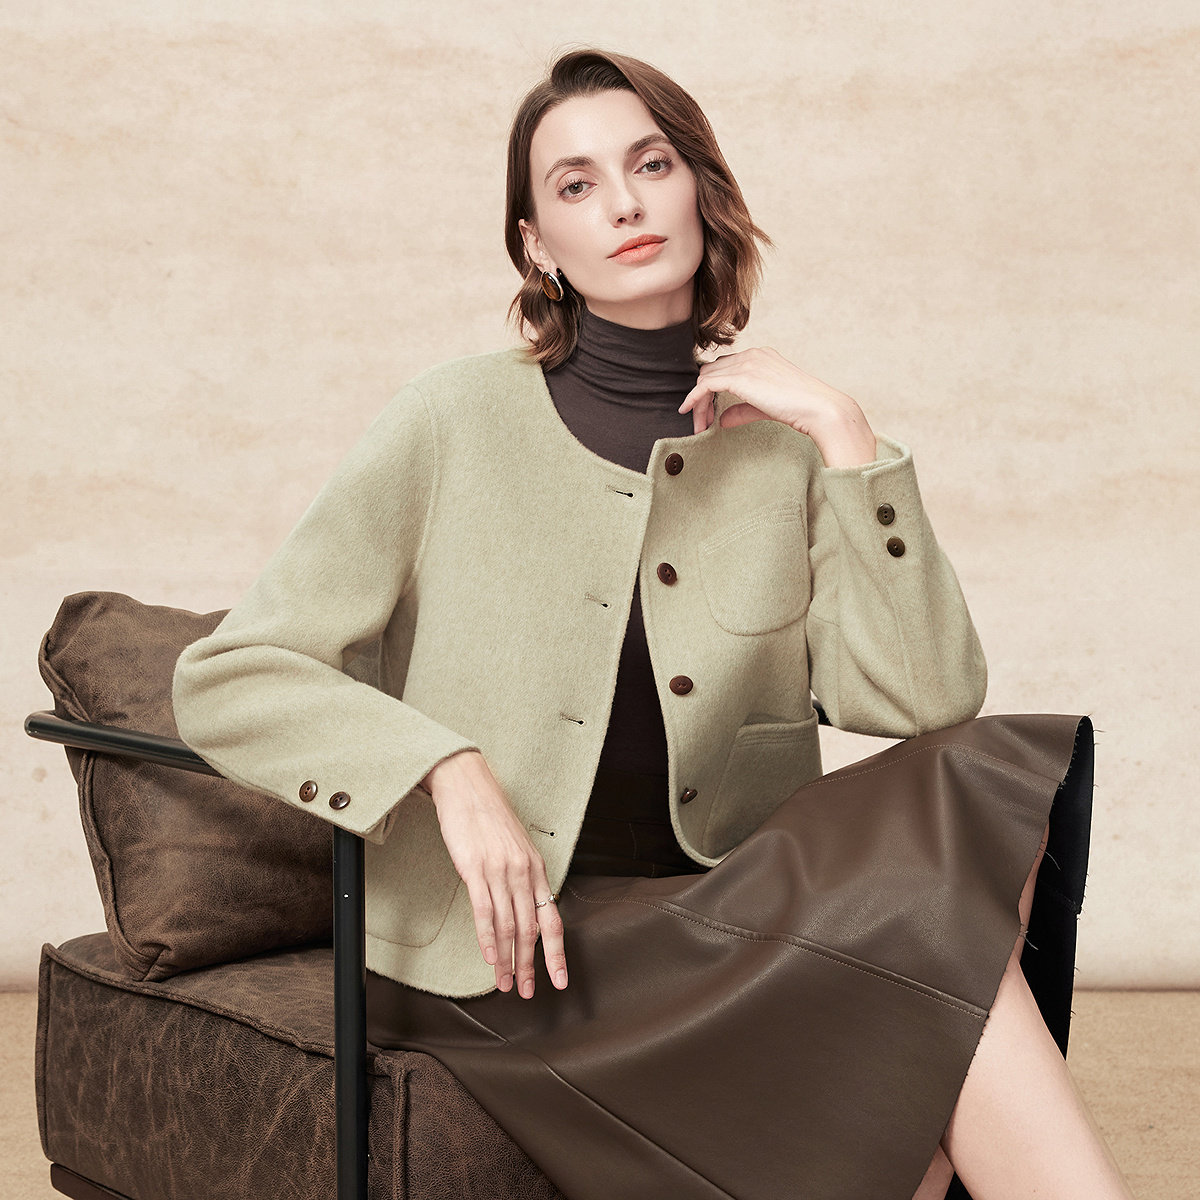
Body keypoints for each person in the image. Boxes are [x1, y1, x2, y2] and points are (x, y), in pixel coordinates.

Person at [172, 47, 1135, 1200]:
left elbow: (926, 697)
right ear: (538, 243)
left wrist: (846, 436)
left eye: (651, 165)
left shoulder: (783, 452)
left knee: (978, 775)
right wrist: (442, 766)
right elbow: (231, 674)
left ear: (700, 191)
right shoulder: (449, 420)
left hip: (727, 912)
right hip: (509, 954)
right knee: (946, 1003)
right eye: (576, 184)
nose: (623, 203)